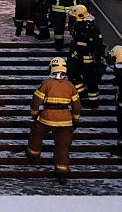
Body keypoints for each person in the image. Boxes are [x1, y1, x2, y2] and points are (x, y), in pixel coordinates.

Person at [27, 57, 81, 185]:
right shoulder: (70, 86)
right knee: (62, 146)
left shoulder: (46, 84)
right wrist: (75, 119)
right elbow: (77, 105)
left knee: (36, 133)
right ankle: (62, 171)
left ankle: (33, 154)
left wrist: (34, 114)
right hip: (65, 120)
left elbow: (36, 101)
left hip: (47, 117)